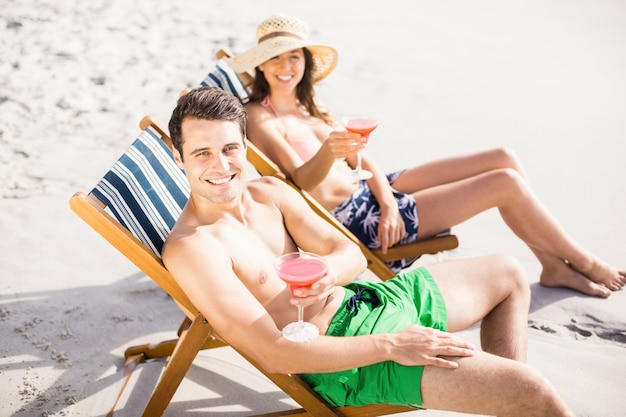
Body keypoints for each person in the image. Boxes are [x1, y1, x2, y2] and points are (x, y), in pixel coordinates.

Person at [163, 86, 575, 416]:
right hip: (348, 358)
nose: (221, 165)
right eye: (202, 153)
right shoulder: (194, 249)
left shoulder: (268, 192)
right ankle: (519, 402)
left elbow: (351, 252)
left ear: (244, 145)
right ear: (178, 157)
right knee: (534, 390)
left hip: (368, 300)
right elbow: (273, 353)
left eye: (230, 148)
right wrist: (394, 345)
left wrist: (328, 271)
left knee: (508, 273)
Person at [226, 14, 626, 298]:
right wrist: (336, 158)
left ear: (306, 62)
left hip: (372, 196)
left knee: (502, 156)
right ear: (261, 63)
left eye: (294, 56)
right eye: (276, 57)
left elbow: (363, 163)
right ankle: (585, 262)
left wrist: (387, 202)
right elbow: (299, 185)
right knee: (505, 184)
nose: (285, 66)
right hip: (352, 221)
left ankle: (552, 264)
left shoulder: (310, 107)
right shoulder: (260, 116)